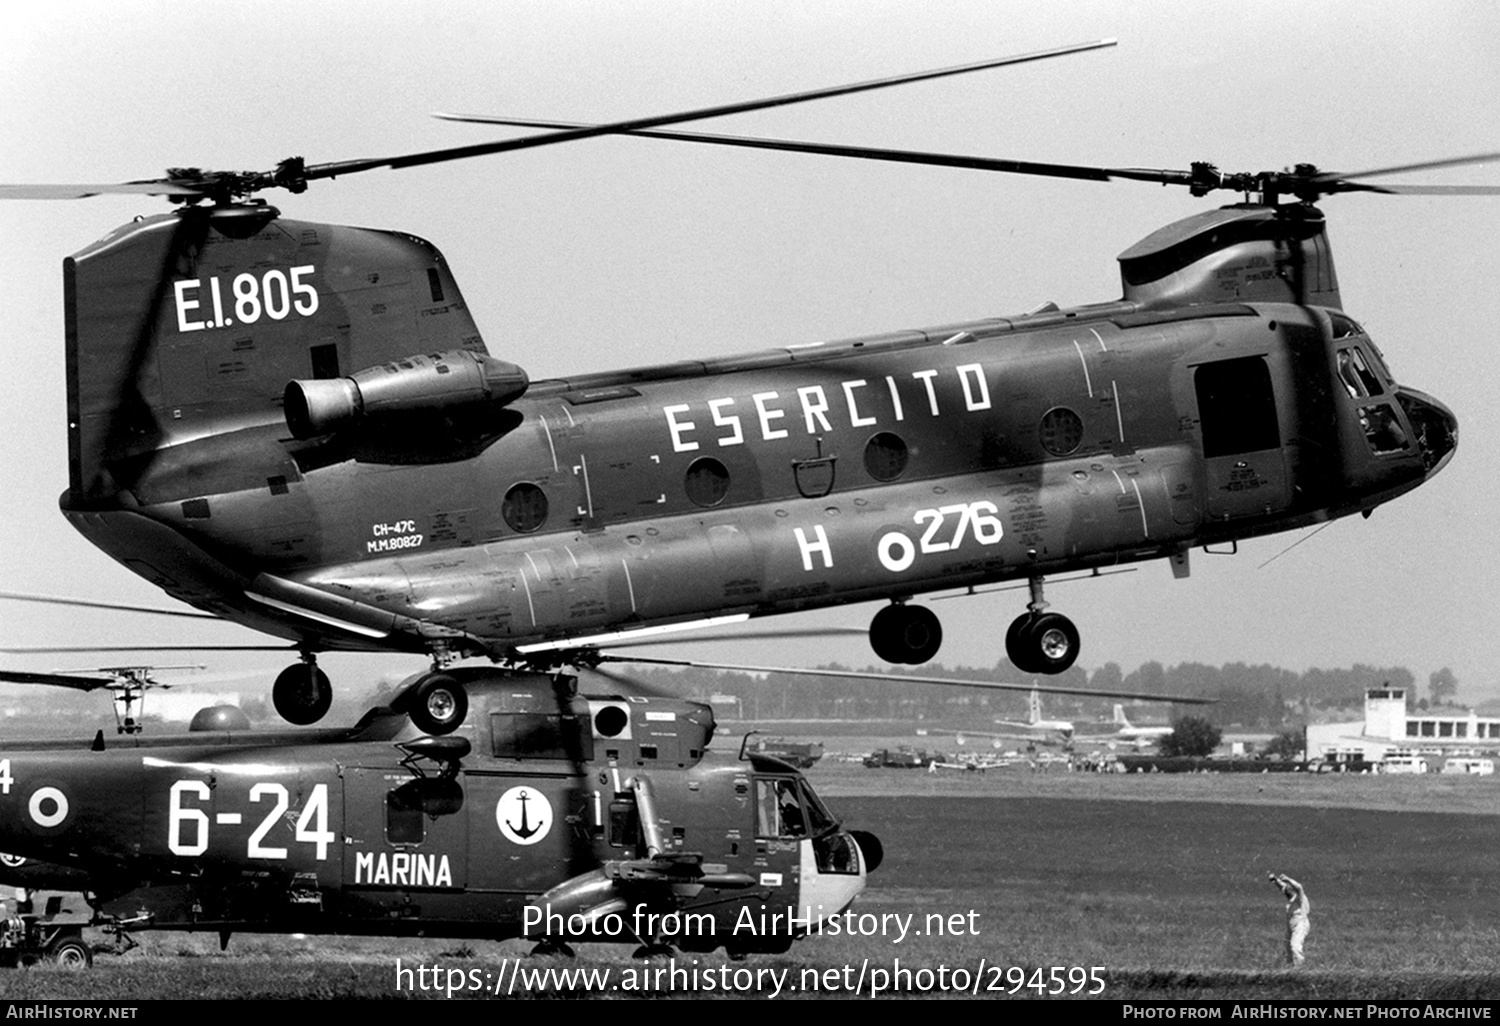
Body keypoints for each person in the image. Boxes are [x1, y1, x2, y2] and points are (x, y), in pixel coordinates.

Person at [1268, 872, 1309, 965]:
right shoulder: (1291, 898)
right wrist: (1275, 879)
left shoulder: (1300, 897)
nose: (1285, 890)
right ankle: (1290, 970)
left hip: (1300, 923)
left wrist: (1288, 879)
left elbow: (1299, 887)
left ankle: (1300, 969)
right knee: (1288, 949)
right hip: (1291, 924)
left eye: (1288, 888)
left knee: (1295, 947)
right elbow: (1283, 887)